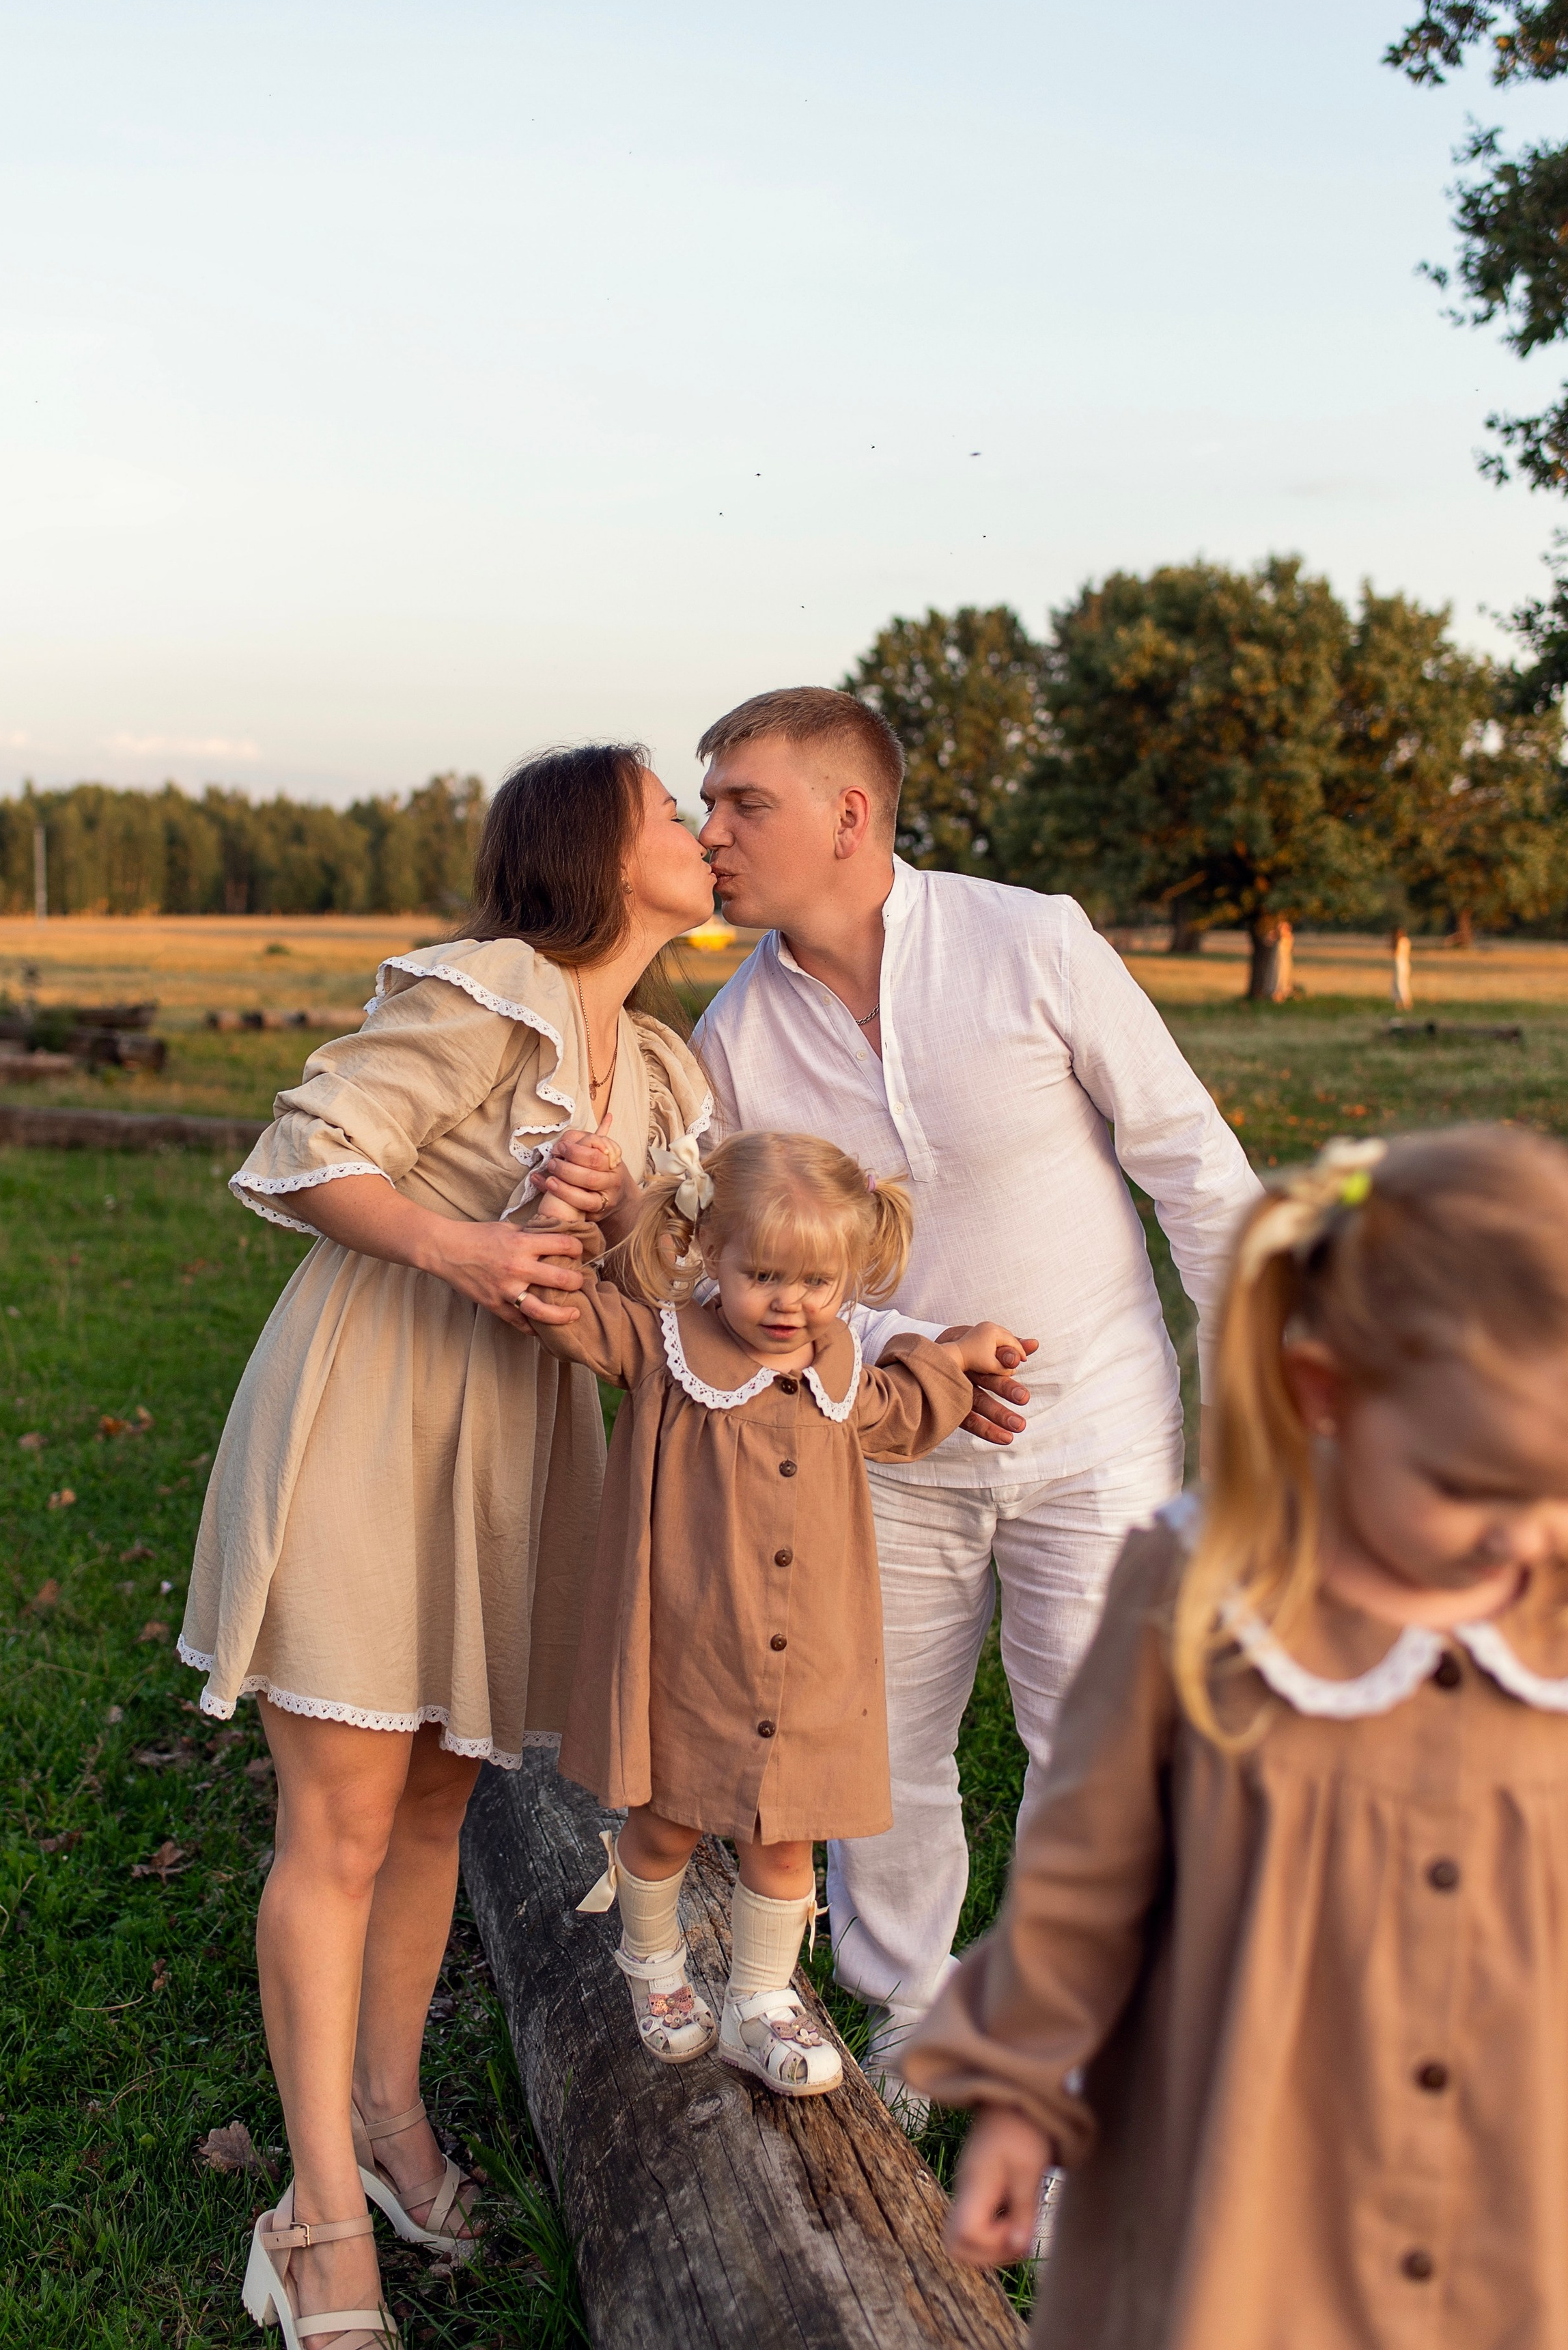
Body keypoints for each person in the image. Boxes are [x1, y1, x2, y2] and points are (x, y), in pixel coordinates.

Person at [906, 1126, 1568, 2350]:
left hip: (1525, 2169)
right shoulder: (1202, 1594)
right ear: (1324, 1394)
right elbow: (1087, 1866)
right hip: (1259, 2167)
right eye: (1469, 1489)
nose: (1526, 1536)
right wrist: (1020, 2095)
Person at [182, 743, 716, 2350]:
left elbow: (661, 1290)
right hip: (374, 1404)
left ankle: (388, 2114)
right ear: (599, 850)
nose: (700, 829)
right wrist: (463, 1246)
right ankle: (316, 2219)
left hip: (515, 1441)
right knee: (340, 1817)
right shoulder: (491, 989)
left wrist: (612, 1217)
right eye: (671, 810)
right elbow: (311, 1148)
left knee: (434, 1797)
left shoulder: (662, 1067)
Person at [691, 686, 1259, 2102]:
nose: (710, 835)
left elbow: (1190, 1160)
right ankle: (911, 2010)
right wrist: (908, 1346)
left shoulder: (1029, 939)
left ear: (848, 815)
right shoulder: (731, 1039)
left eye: (741, 803)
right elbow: (723, 1265)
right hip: (879, 1443)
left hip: (1101, 1426)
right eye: (706, 806)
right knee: (882, 1746)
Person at [520, 1128, 1026, 2094]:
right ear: (708, 1251)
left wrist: (959, 1355)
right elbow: (560, 1308)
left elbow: (898, 1409)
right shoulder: (665, 1346)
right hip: (690, 1650)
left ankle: (760, 2001)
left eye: (818, 1283)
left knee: (787, 1836)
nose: (792, 1304)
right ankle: (653, 1966)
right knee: (667, 1824)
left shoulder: (835, 1366)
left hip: (805, 1658)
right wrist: (559, 1223)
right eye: (763, 1277)